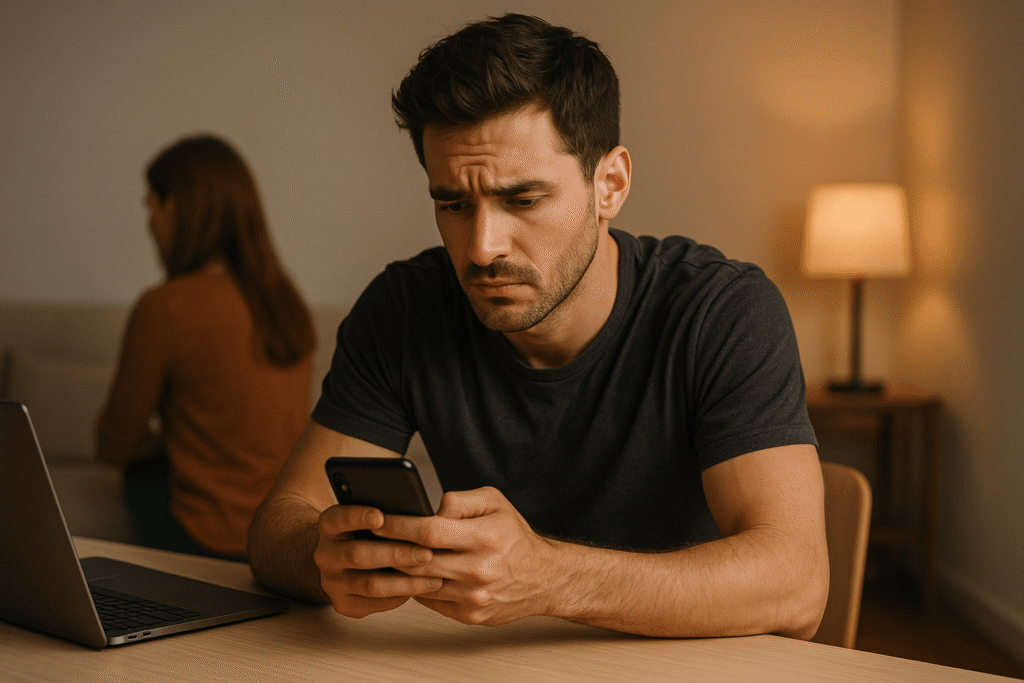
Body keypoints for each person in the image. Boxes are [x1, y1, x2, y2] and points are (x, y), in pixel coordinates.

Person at [248, 14, 828, 638]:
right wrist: (328, 561)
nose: (480, 248)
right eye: (452, 204)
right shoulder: (405, 307)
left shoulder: (723, 311)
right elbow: (278, 525)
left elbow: (796, 584)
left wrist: (551, 578)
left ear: (610, 184)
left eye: (522, 200)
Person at [96, 135, 315, 561]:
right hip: (283, 530)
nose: (149, 222)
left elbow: (112, 447)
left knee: (140, 474)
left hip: (206, 538)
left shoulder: (164, 308)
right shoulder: (285, 301)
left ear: (175, 208)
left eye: (151, 205)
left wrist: (155, 442)